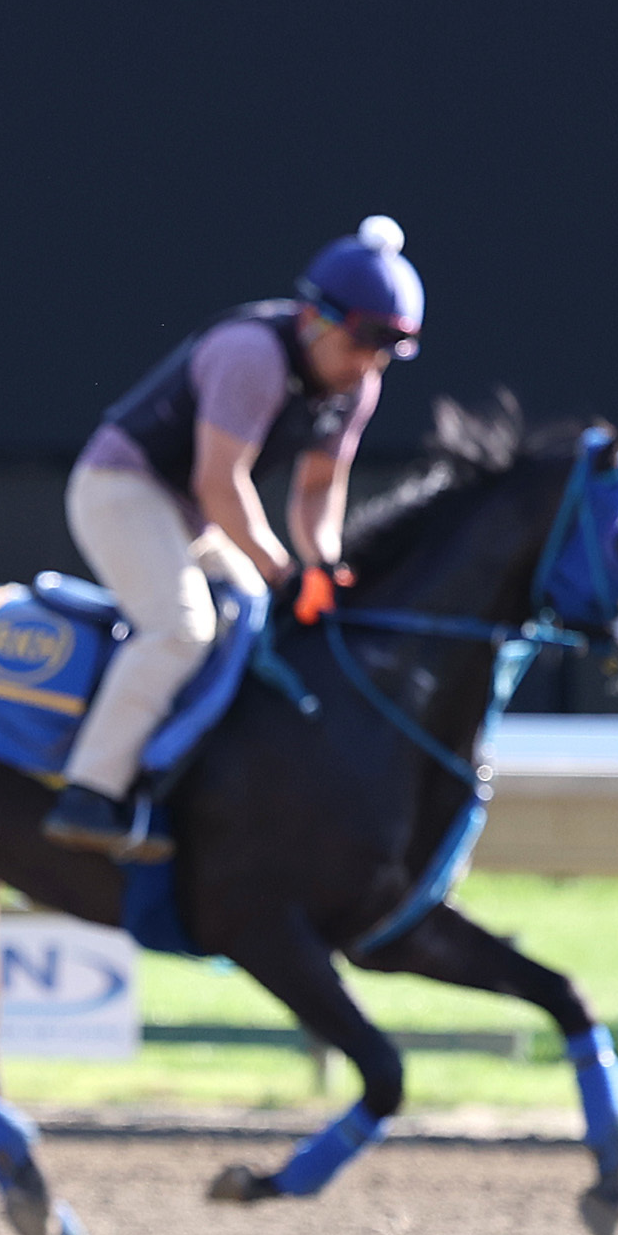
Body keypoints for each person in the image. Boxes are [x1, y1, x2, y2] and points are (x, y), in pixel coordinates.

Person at [43, 216, 425, 862]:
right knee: (182, 626)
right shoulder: (252, 354)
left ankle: (180, 780)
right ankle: (89, 790)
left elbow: (317, 489)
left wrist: (322, 565)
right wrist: (284, 570)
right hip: (120, 487)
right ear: (314, 317)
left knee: (256, 622)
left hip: (190, 513)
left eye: (385, 349)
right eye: (362, 342)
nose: (370, 362)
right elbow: (220, 484)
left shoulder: (359, 385)